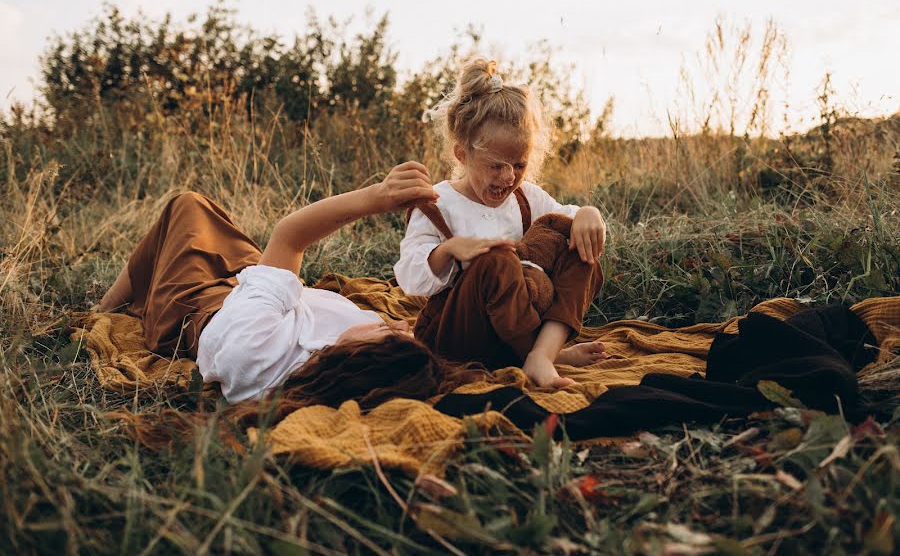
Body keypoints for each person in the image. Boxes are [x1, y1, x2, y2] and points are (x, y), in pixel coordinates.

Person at [98, 162, 466, 404]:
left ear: (358, 357)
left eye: (395, 335)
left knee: (187, 207)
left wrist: (377, 197)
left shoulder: (258, 352)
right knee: (211, 224)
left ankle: (106, 304)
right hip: (263, 290)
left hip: (200, 302)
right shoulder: (348, 362)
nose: (403, 324)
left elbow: (289, 236)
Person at [394, 57, 608, 389]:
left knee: (581, 247)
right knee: (496, 262)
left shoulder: (527, 198)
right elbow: (410, 276)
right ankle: (537, 355)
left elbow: (566, 217)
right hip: (457, 337)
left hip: (517, 332)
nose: (508, 177)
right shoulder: (437, 204)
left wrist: (588, 214)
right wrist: (449, 250)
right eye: (495, 165)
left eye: (518, 165)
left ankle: (542, 353)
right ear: (462, 154)